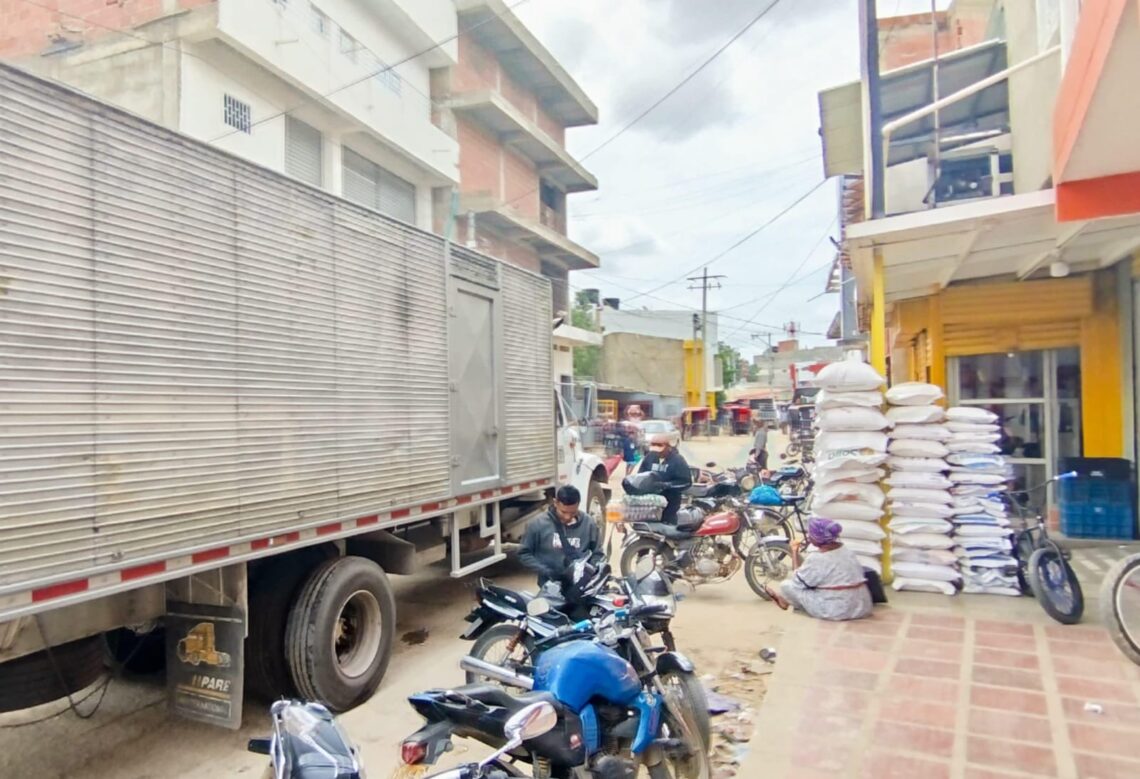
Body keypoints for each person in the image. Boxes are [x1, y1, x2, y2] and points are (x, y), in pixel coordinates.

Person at [764, 517, 872, 621]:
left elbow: (797, 583)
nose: (808, 536)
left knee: (786, 586)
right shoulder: (847, 550)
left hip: (837, 610)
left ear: (816, 538)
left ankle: (784, 601)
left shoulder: (817, 558)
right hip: (862, 606)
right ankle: (784, 600)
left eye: (810, 534)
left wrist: (794, 552)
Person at [518, 485, 602, 588]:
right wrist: (546, 571)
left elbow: (598, 553)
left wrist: (589, 572)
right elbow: (524, 554)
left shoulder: (589, 523)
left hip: (580, 587)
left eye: (572, 512)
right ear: (555, 503)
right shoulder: (538, 524)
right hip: (549, 587)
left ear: (578, 505)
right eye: (563, 512)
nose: (567, 517)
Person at [638, 432, 692, 524]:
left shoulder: (678, 460)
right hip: (650, 502)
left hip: (670, 502)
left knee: (667, 526)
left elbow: (686, 482)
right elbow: (640, 475)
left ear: (668, 447)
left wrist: (667, 485)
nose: (657, 451)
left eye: (660, 446)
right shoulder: (649, 458)